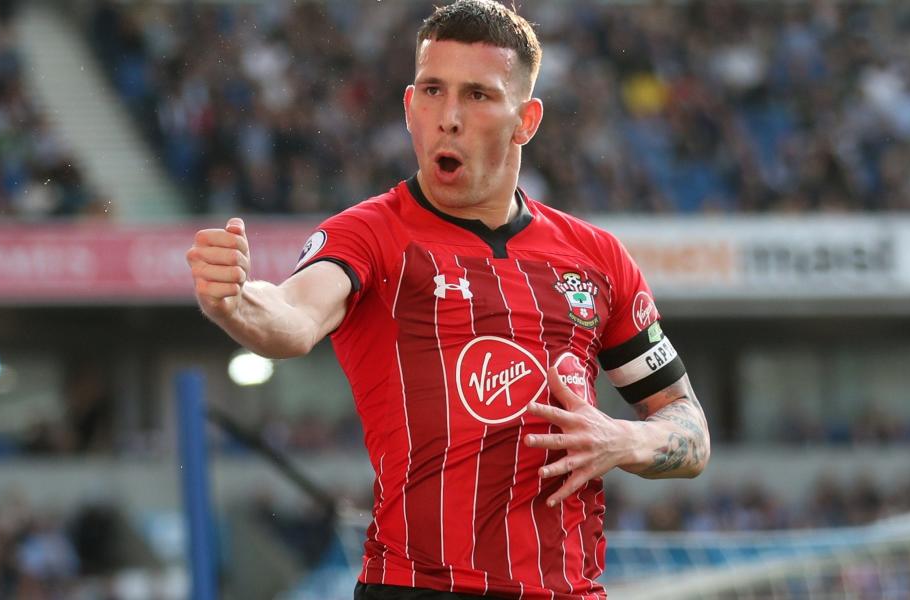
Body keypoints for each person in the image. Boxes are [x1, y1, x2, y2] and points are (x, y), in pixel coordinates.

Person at [186, 1, 710, 597]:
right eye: (433, 91)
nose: (449, 117)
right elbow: (294, 316)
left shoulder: (596, 257)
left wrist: (626, 440)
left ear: (526, 120)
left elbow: (689, 427)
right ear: (410, 108)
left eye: (479, 96)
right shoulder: (371, 235)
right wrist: (235, 302)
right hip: (417, 588)